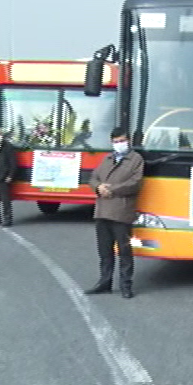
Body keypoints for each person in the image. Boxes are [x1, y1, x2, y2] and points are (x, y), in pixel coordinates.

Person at [84, 128, 144, 299]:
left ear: (129, 141)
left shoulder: (136, 159)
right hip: (102, 211)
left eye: (122, 140)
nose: (120, 144)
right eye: (116, 141)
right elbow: (93, 177)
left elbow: (136, 183)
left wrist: (112, 190)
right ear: (112, 142)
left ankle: (126, 285)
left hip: (121, 211)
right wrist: (98, 187)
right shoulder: (107, 159)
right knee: (104, 250)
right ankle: (105, 282)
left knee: (124, 250)